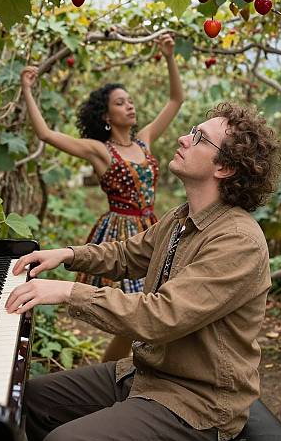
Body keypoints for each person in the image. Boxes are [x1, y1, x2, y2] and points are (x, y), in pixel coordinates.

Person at [5, 103, 281, 441]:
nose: (183, 138)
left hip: (196, 402)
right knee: (28, 400)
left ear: (224, 166)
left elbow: (161, 315)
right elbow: (126, 254)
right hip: (144, 373)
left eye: (198, 137)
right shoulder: (180, 218)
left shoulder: (238, 242)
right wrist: (67, 254)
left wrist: (67, 292)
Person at [20, 33, 184, 361]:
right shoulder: (100, 151)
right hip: (119, 233)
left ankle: (117, 373)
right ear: (107, 117)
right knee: (131, 318)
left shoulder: (145, 140)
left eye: (130, 100)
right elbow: (46, 134)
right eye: (120, 102)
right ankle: (110, 376)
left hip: (152, 228)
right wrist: (26, 88)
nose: (130, 105)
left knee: (146, 310)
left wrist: (169, 57)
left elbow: (175, 101)